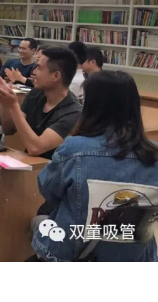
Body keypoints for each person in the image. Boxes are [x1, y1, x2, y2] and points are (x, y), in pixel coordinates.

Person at [31, 71, 158, 262]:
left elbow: (49, 191)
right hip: (138, 257)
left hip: (73, 255)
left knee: (38, 222)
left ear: (91, 106)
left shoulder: (74, 149)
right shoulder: (154, 154)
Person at [0, 47, 82, 159]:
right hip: (30, 163)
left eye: (39, 68)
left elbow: (35, 148)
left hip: (52, 167)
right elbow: (9, 129)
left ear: (56, 76)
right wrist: (4, 103)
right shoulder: (36, 94)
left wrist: (14, 106)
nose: (33, 72)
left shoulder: (73, 112)